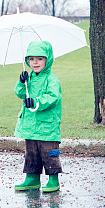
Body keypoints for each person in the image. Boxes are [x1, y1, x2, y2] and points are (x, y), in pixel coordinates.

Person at [14, 40, 62, 192]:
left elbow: (52, 97)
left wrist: (36, 102)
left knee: (49, 153)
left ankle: (53, 179)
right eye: (31, 59)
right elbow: (21, 93)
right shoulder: (30, 77)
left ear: (48, 59)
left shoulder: (51, 79)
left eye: (40, 59)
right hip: (30, 125)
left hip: (47, 125)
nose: (35, 62)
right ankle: (32, 178)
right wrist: (22, 82)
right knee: (31, 153)